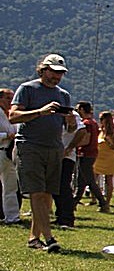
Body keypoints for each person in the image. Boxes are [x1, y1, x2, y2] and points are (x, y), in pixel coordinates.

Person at [8, 54, 78, 252]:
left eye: (60, 73)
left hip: (54, 147)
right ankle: (49, 238)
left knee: (47, 194)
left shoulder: (63, 95)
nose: (57, 77)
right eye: (54, 72)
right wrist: (40, 111)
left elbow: (68, 128)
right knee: (37, 193)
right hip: (30, 145)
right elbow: (13, 116)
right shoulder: (27, 89)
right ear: (43, 69)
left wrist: (71, 123)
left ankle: (34, 238)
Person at [71, 101, 109, 213]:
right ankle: (73, 203)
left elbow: (85, 139)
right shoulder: (93, 123)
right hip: (91, 153)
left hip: (85, 153)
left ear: (82, 110)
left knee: (89, 180)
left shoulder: (86, 123)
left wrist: (72, 145)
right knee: (81, 181)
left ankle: (103, 203)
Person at [54, 107, 83, 229]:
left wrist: (70, 148)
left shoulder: (71, 114)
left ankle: (67, 218)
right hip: (52, 155)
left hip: (66, 156)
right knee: (55, 187)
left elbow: (82, 131)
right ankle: (60, 215)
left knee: (63, 186)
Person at [0, 88, 21, 223]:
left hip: (10, 152)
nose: (10, 101)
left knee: (11, 186)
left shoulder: (11, 115)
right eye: (8, 98)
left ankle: (12, 216)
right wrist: (6, 136)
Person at [93, 111, 114, 208]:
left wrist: (110, 143)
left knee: (108, 180)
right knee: (93, 179)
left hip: (109, 158)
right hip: (98, 158)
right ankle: (94, 199)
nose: (100, 121)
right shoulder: (100, 131)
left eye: (101, 119)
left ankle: (107, 201)